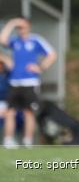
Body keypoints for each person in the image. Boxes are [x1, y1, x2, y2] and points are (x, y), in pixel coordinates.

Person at [0, 17, 56, 149]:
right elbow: (2, 40)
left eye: (22, 26)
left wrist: (41, 67)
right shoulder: (15, 41)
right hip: (14, 82)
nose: (20, 29)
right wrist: (12, 23)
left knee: (28, 112)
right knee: (10, 112)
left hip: (29, 82)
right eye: (18, 27)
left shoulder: (36, 40)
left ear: (29, 26)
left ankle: (28, 141)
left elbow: (52, 54)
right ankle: (8, 140)